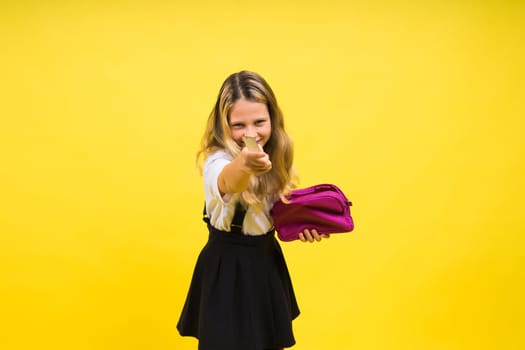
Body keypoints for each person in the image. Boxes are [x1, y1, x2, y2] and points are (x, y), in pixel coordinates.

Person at [177, 70, 329, 350]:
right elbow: (228, 181)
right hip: (227, 268)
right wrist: (246, 164)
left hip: (265, 263)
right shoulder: (217, 161)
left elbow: (269, 217)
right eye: (238, 125)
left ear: (273, 118)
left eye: (259, 122)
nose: (250, 134)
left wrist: (300, 227)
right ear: (224, 125)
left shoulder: (277, 154)